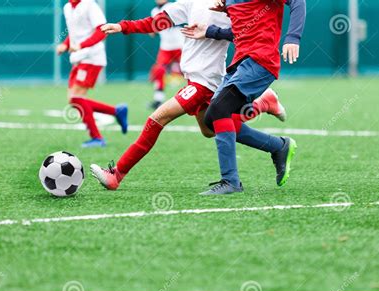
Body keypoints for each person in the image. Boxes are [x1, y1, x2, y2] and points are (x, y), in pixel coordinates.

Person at [90, 0, 286, 191]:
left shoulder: (229, 4)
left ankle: (116, 175)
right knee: (210, 129)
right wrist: (122, 26)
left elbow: (245, 33)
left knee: (157, 119)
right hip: (197, 79)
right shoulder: (189, 3)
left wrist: (211, 31)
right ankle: (273, 134)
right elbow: (157, 22)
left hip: (205, 82)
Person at [199, 0, 306, 195]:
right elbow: (241, 31)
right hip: (240, 63)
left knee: (218, 110)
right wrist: (212, 30)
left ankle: (230, 181)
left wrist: (293, 37)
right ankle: (279, 146)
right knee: (210, 119)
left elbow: (298, 1)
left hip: (261, 61)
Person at [56, 0, 128, 148]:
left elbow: (102, 31)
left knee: (76, 98)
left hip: (92, 57)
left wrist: (81, 46)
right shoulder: (68, 7)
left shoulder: (90, 4)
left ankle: (97, 138)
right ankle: (116, 111)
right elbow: (76, 32)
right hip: (78, 58)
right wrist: (66, 43)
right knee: (74, 99)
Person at [149, 0, 185, 110]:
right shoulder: (154, 11)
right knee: (159, 70)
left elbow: (172, 23)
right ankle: (158, 100)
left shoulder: (172, 6)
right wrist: (152, 29)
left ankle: (197, 99)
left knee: (189, 71)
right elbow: (153, 31)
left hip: (180, 45)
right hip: (165, 47)